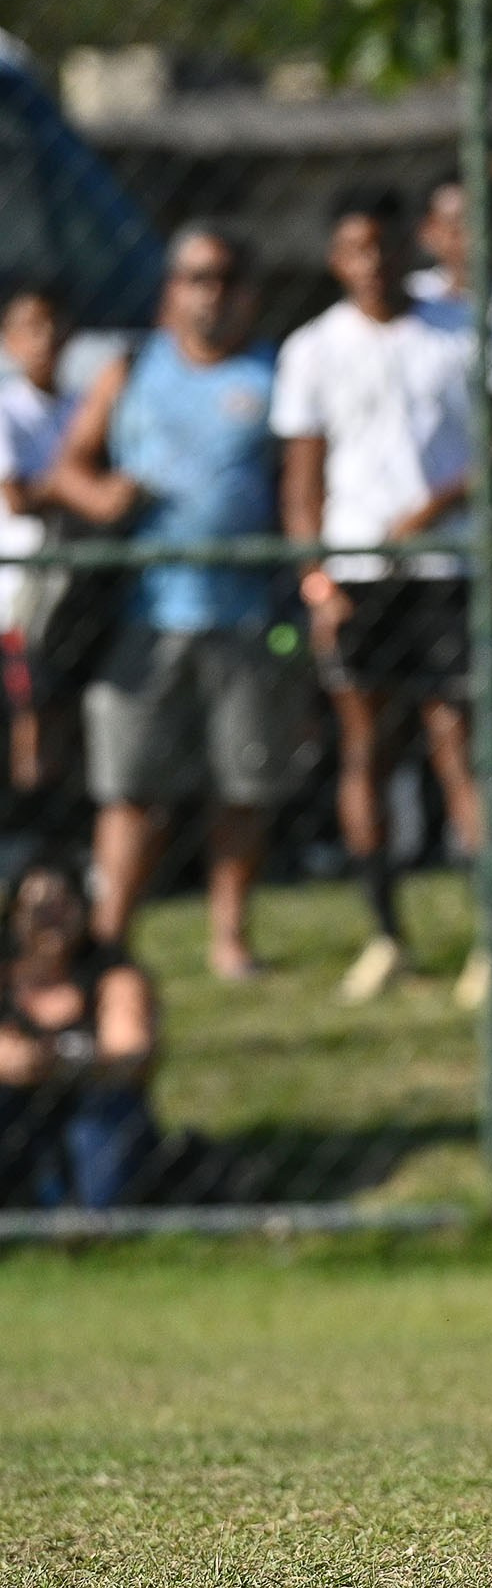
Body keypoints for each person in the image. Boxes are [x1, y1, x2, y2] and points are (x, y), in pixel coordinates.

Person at [52, 225, 295, 980]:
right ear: (172, 289)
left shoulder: (273, 373)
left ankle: (229, 938)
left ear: (248, 292)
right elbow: (70, 469)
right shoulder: (132, 369)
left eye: (225, 278)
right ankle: (109, 940)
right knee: (131, 790)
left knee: (241, 787)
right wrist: (106, 498)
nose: (210, 294)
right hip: (145, 616)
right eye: (196, 277)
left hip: (247, 613)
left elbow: (296, 480)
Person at [276, 186, 489, 1006]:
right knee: (365, 747)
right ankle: (384, 932)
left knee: (456, 739)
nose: (375, 261)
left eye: (387, 243)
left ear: (412, 247)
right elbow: (302, 479)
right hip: (357, 576)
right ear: (337, 259)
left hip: (443, 569)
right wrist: (316, 575)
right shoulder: (313, 350)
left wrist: (435, 507)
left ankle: (487, 934)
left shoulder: (455, 334)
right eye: (357, 247)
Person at [0, 861, 159, 1208]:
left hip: (95, 1106)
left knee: (108, 1114)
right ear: (15, 916)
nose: (52, 918)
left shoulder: (112, 972)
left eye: (63, 905)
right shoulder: (5, 976)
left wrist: (51, 1059)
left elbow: (130, 1055)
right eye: (39, 909)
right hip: (17, 1110)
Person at [0, 284, 84, 814]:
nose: (45, 337)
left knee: (63, 708)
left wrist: (58, 485)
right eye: (30, 325)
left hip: (73, 583)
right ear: (8, 340)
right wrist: (74, 484)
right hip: (19, 593)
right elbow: (18, 497)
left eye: (53, 323)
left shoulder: (82, 405)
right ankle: (28, 822)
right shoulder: (6, 408)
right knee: (29, 706)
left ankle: (59, 821)